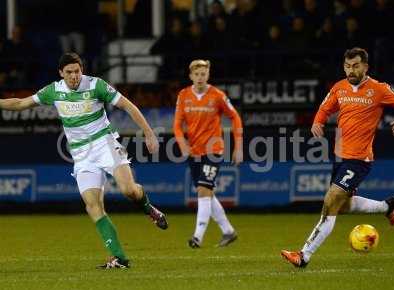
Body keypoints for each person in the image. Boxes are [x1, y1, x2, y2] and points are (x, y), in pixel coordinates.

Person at [0, 52, 168, 269]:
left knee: (129, 191)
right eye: (69, 72)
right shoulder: (53, 90)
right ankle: (120, 258)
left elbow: (128, 106)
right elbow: (21, 104)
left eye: (77, 71)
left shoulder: (96, 85)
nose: (74, 76)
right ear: (61, 73)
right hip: (82, 155)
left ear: (82, 70)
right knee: (93, 205)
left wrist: (149, 133)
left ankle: (148, 208)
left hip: (106, 144)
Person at [281, 47, 394, 268]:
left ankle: (303, 255)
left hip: (359, 159)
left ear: (366, 66)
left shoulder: (379, 89)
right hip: (340, 157)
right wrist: (318, 121)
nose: (350, 70)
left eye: (355, 65)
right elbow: (325, 108)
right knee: (342, 206)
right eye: (347, 66)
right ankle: (388, 206)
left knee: (331, 200)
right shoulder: (339, 88)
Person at [173, 59, 243, 248]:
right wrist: (182, 143)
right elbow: (177, 125)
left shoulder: (217, 95)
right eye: (197, 74)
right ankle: (228, 231)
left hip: (213, 150)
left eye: (203, 74)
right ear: (191, 76)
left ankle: (197, 237)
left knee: (204, 190)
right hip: (194, 151)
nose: (200, 77)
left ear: (208, 75)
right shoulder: (184, 95)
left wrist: (239, 147)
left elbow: (235, 117)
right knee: (207, 193)